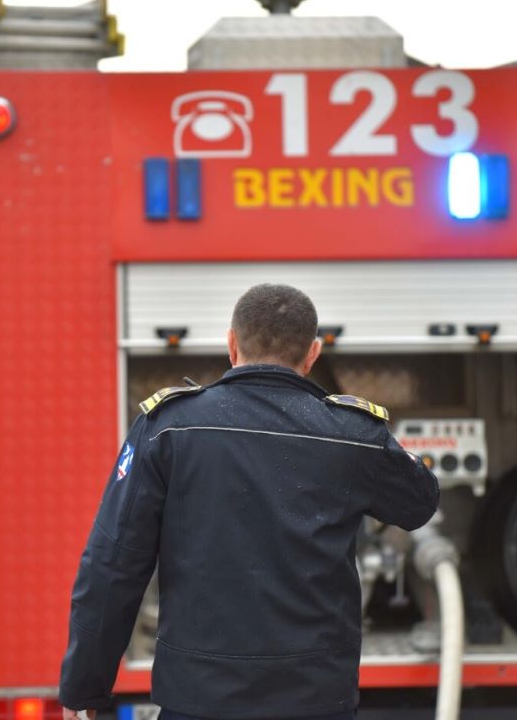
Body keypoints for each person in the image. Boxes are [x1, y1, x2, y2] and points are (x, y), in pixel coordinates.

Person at [59, 283, 439, 720]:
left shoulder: (168, 428)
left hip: (198, 702)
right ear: (312, 354)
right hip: (316, 702)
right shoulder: (353, 433)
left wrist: (83, 689)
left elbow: (112, 566)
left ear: (232, 344)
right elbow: (420, 503)